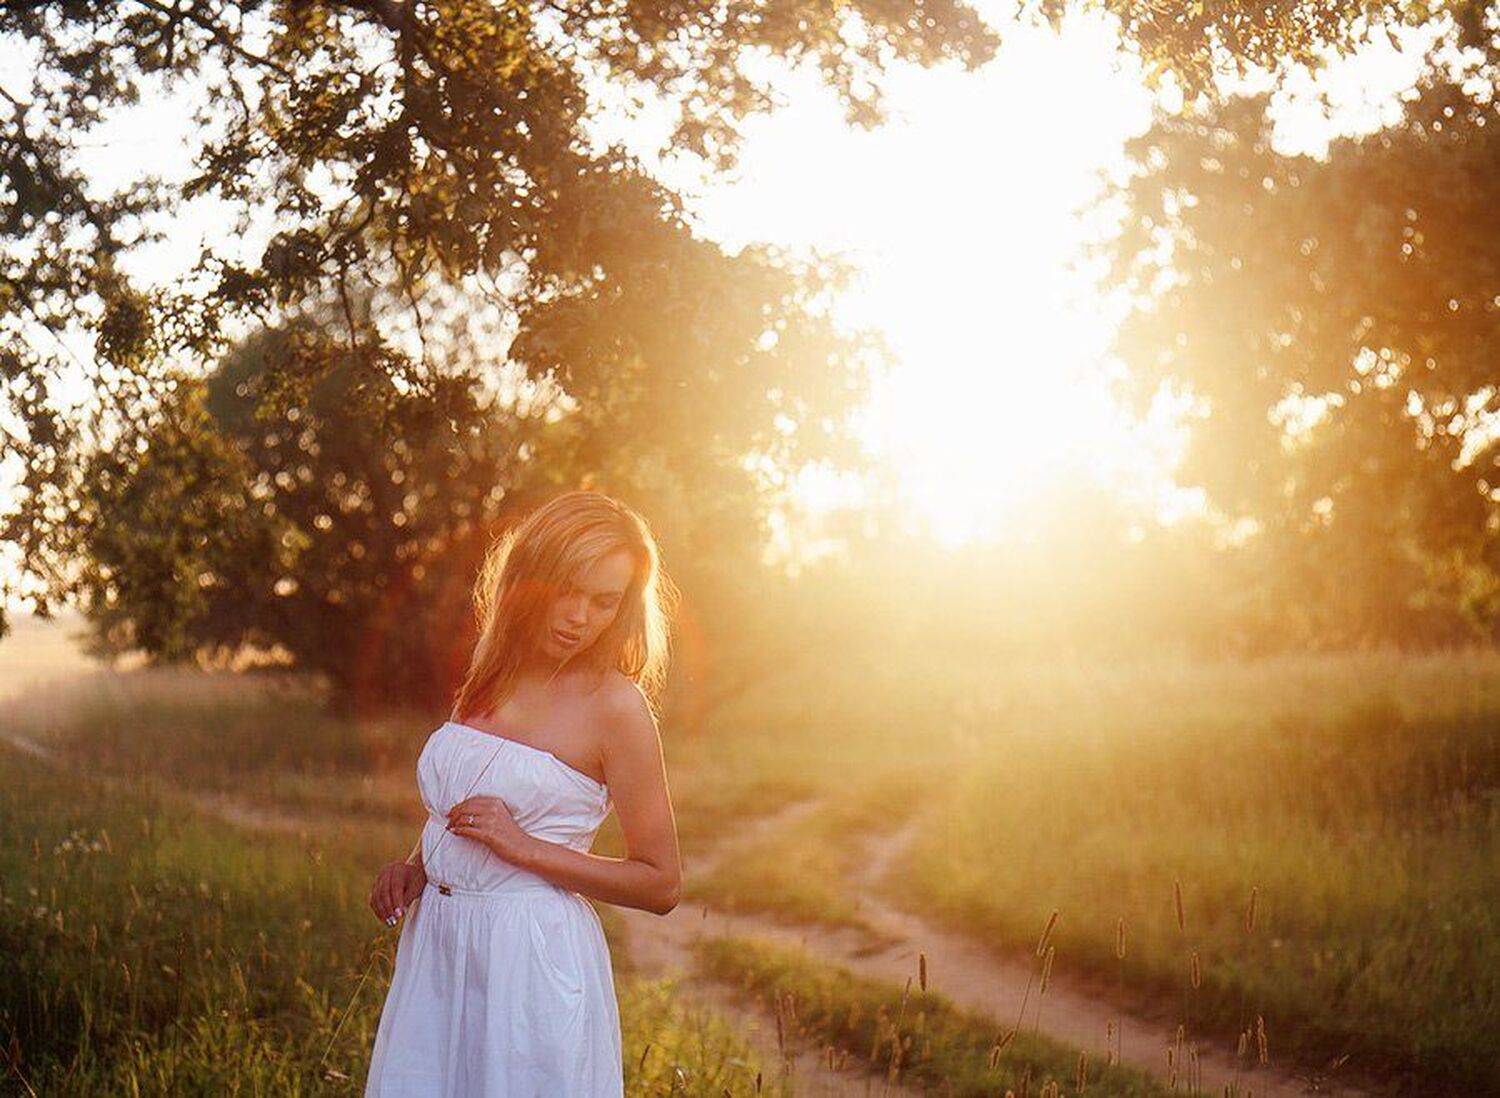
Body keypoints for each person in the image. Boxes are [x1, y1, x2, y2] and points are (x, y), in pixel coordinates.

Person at [364, 489, 682, 1096]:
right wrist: (415, 868)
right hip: (438, 945)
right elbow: (465, 799)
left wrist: (525, 848)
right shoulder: (492, 667)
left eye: (603, 601)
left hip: (531, 960)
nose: (579, 617)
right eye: (567, 589)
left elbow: (661, 883)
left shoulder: (617, 707)